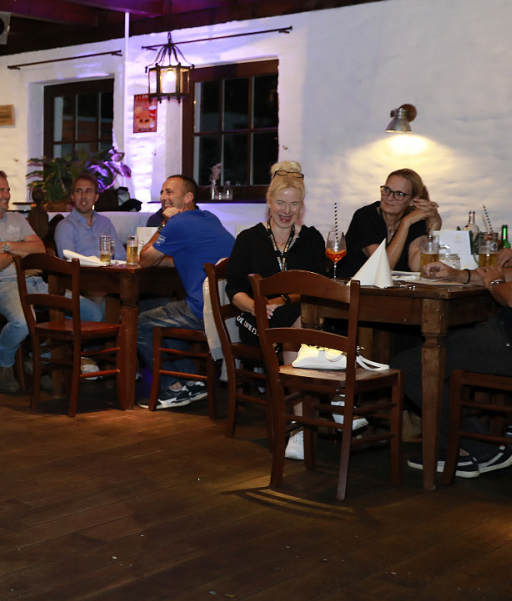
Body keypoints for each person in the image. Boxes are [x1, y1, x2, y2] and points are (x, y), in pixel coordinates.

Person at [395, 147, 512, 477]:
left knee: (411, 365)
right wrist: (462, 276)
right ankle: (458, 448)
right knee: (436, 347)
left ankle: (482, 449)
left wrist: (492, 284)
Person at [223, 173, 332, 457]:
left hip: (298, 318)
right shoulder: (249, 239)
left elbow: (316, 286)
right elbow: (234, 288)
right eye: (280, 202)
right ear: (269, 202)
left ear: (302, 207)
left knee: (298, 331)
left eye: (294, 204)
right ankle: (330, 407)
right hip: (255, 319)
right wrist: (255, 306)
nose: (286, 210)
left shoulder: (311, 238)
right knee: (304, 334)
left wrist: (282, 299)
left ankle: (300, 428)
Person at [0, 170, 101, 394]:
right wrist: (19, 251)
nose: (7, 195)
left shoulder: (17, 219)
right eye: (1, 190)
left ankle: (39, 358)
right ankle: (2, 362)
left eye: (8, 189)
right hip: (3, 287)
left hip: (37, 283)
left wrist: (5, 247)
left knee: (92, 313)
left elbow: (39, 248)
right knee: (23, 321)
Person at [135, 174, 235, 409]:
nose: (163, 197)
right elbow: (189, 256)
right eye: (162, 192)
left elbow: (144, 259)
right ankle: (191, 382)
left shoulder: (177, 223)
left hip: (204, 310)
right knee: (159, 312)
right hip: (229, 309)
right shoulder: (209, 217)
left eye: (170, 192)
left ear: (188, 197)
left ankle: (172, 388)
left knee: (138, 323)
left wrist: (164, 224)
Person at [339, 168, 441, 275]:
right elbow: (382, 267)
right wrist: (405, 223)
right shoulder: (365, 216)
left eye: (399, 194)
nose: (390, 197)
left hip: (392, 285)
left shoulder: (414, 221)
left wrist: (435, 226)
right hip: (351, 283)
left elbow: (416, 265)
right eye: (387, 190)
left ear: (413, 200)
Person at [53, 173, 124, 321]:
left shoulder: (105, 223)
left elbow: (121, 256)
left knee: (143, 304)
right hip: (82, 287)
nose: (83, 196)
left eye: (88, 191)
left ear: (96, 197)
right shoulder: (65, 226)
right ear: (72, 196)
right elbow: (69, 265)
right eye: (79, 191)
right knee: (109, 305)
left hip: (111, 283)